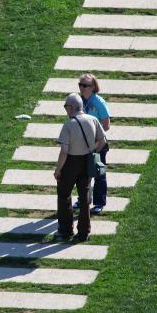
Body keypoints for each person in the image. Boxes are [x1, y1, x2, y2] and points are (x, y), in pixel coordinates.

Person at [53, 93, 107, 242]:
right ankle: (83, 232)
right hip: (87, 162)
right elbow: (102, 140)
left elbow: (64, 151)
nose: (65, 109)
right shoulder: (93, 120)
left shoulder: (68, 124)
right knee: (85, 199)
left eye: (66, 106)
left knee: (64, 196)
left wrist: (58, 170)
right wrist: (92, 151)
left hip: (71, 163)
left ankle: (65, 231)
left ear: (71, 107)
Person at [77, 73, 111, 214]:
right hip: (82, 144)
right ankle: (83, 199)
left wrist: (95, 139)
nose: (82, 88)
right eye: (81, 85)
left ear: (93, 87)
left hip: (98, 144)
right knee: (82, 174)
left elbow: (107, 125)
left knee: (98, 174)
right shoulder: (78, 101)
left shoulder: (98, 102)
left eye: (86, 85)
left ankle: (99, 203)